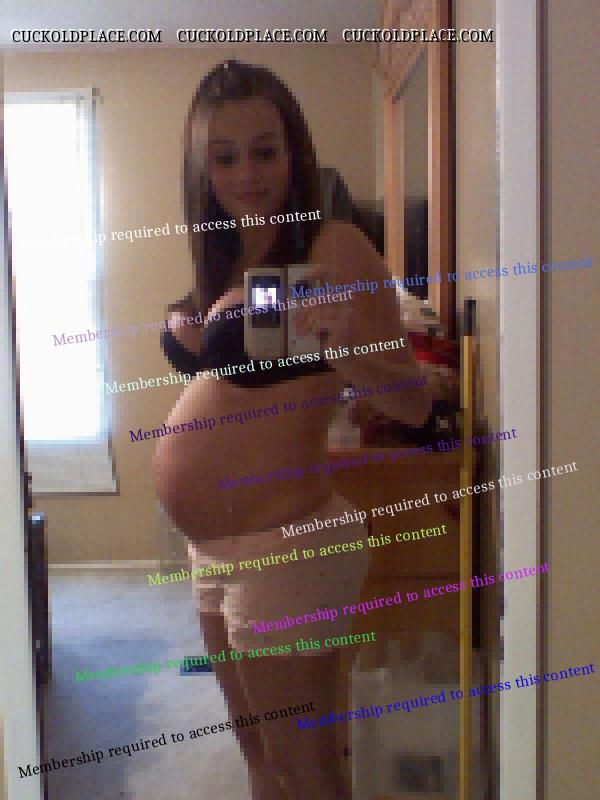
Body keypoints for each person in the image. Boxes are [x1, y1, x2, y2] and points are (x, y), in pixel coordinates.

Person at [153, 60, 431, 800]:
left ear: (294, 152)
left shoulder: (334, 247)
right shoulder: (226, 255)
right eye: (225, 157)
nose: (246, 175)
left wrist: (347, 349)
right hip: (214, 550)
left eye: (264, 151)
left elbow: (412, 404)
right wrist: (191, 331)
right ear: (202, 167)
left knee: (306, 771)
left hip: (288, 548)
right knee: (258, 757)